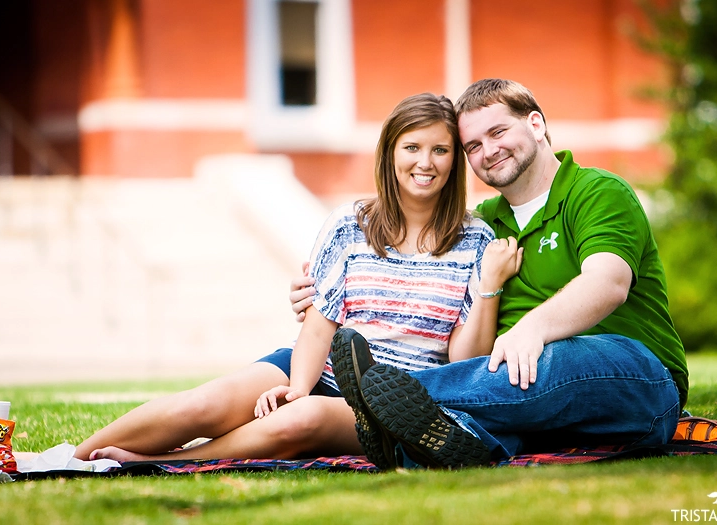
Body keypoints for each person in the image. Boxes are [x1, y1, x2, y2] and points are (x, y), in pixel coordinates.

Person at [74, 92, 522, 464]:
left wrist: (489, 286)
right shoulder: (349, 223)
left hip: (394, 398)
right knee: (203, 405)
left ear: (453, 162)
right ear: (390, 153)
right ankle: (68, 459)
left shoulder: (476, 240)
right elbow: (320, 320)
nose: (426, 162)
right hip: (316, 364)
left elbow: (465, 360)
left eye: (440, 150)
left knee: (298, 422)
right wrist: (297, 387)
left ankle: (156, 463)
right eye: (412, 147)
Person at [291, 78, 689, 469]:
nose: (489, 151)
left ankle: (371, 400)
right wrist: (315, 290)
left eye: (498, 132)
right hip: (523, 390)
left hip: (638, 377)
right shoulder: (482, 229)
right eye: (474, 146)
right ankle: (432, 441)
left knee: (550, 359)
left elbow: (608, 283)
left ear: (535, 124)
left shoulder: (597, 191)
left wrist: (531, 329)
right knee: (500, 397)